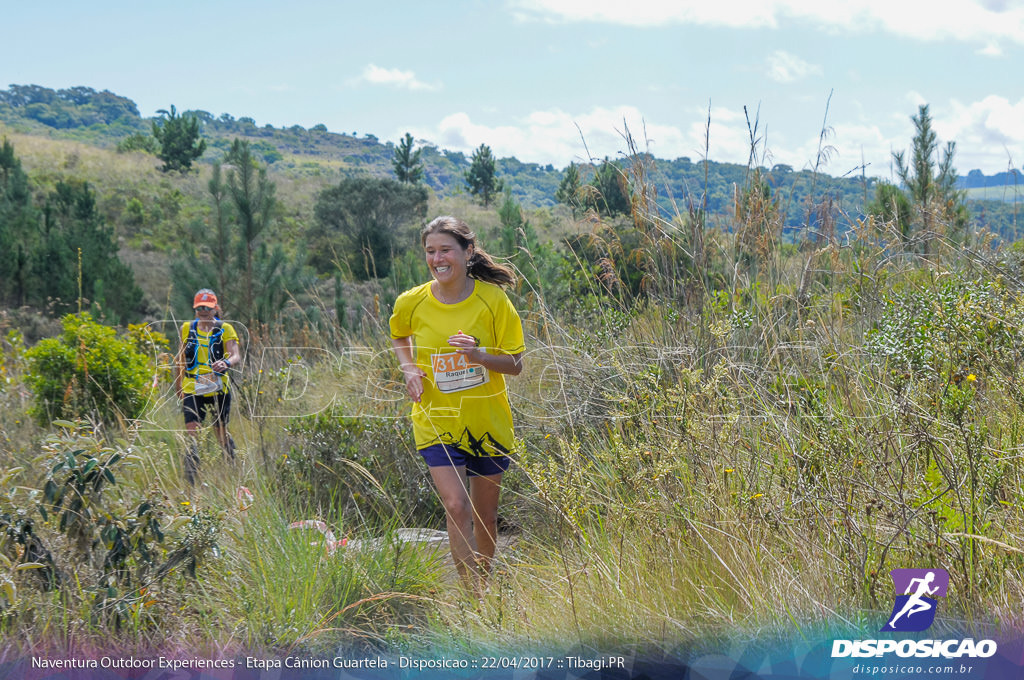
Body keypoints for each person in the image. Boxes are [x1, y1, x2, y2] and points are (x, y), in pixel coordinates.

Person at [389, 216, 525, 593]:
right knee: (456, 506)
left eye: (445, 249)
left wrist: (480, 356)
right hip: (436, 420)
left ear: (467, 252)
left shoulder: (493, 300)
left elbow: (515, 364)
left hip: (487, 422)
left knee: (485, 517)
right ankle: (471, 597)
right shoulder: (411, 302)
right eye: (430, 251)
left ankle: (484, 581)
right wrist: (409, 369)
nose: (437, 258)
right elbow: (399, 335)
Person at [174, 288, 242, 485]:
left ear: (215, 308)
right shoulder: (186, 328)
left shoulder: (226, 328)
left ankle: (232, 469)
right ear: (195, 309)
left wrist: (226, 363)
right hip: (192, 388)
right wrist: (178, 386)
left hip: (218, 389)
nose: (203, 311)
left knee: (220, 433)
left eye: (208, 307)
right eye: (199, 308)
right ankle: (191, 481)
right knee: (192, 434)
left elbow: (235, 354)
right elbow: (180, 359)